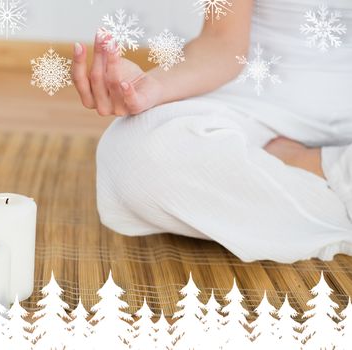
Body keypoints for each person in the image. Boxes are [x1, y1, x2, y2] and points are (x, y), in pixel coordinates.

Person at [71, 0, 352, 263]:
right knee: (132, 152)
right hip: (257, 101)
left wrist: (312, 160)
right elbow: (221, 42)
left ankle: (310, 169)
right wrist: (151, 86)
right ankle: (333, 186)